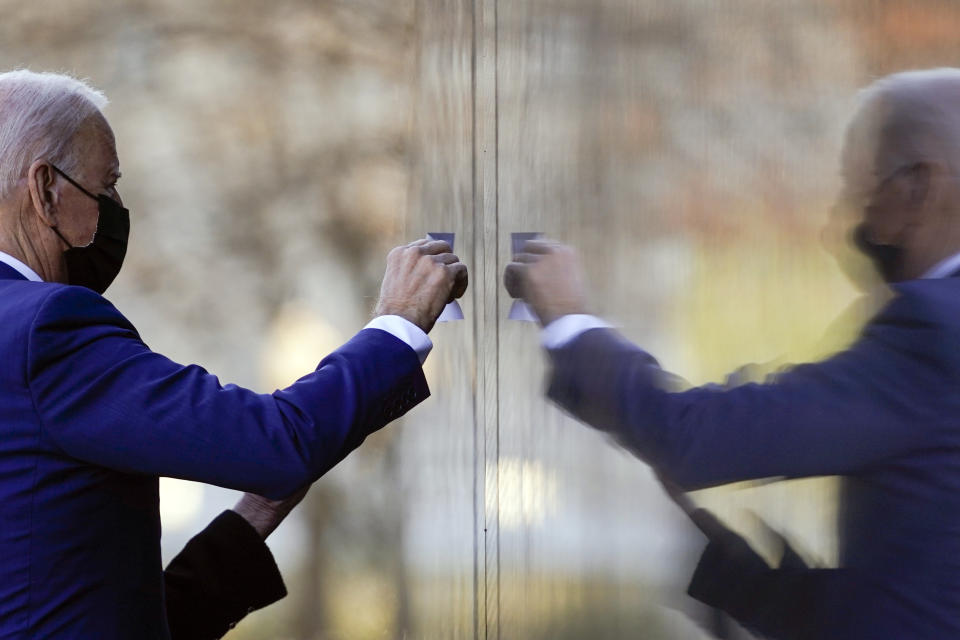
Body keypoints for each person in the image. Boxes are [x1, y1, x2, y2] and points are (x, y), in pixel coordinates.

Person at [0, 70, 467, 639]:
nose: (115, 210)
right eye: (106, 187)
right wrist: (400, 321)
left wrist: (251, 521)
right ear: (46, 188)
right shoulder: (45, 328)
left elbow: (64, 597)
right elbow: (276, 444)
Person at [505, 68, 960, 639]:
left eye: (858, 187)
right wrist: (741, 578)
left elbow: (694, 439)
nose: (840, 219)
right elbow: (925, 588)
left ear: (919, 186)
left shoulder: (933, 332)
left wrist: (568, 318)